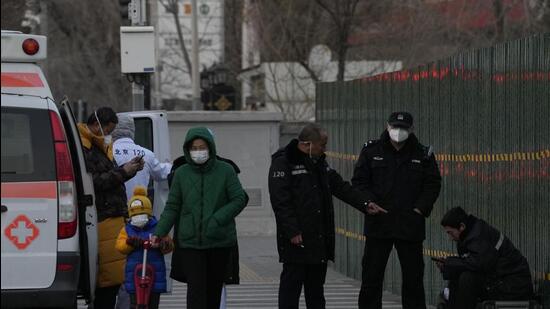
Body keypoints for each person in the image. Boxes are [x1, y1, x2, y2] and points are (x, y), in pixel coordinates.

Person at [268, 123, 370, 309]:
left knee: (316, 292)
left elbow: (340, 187)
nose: (325, 149)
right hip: (295, 241)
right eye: (322, 145)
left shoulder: (320, 163)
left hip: (318, 239)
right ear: (307, 144)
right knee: (291, 290)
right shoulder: (283, 163)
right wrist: (292, 231)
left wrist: (365, 204)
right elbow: (280, 202)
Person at [352, 112, 442, 309]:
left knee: (413, 280)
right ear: (387, 127)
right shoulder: (371, 150)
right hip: (379, 223)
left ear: (412, 129)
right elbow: (359, 182)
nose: (398, 132)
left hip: (409, 224)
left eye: (403, 128)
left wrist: (420, 208)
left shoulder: (423, 153)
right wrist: (368, 204)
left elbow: (433, 184)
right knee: (371, 277)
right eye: (395, 127)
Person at [152, 127, 247, 309]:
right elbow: (173, 206)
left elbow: (239, 199)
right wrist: (160, 231)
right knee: (195, 291)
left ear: (210, 147)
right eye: (194, 148)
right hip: (190, 242)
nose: (198, 151)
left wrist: (218, 218)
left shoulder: (226, 170)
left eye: (201, 147)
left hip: (219, 241)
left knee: (213, 292)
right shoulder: (181, 173)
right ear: (187, 149)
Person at [77, 107, 144, 309]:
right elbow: (93, 183)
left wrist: (128, 170)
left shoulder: (96, 145)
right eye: (109, 130)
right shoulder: (85, 148)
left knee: (112, 279)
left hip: (111, 220)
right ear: (98, 125)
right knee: (107, 281)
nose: (109, 135)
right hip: (102, 219)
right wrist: (123, 171)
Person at [435, 207, 533, 309]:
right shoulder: (468, 235)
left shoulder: (479, 235)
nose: (450, 238)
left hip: (513, 286)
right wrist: (446, 266)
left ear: (462, 226)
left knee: (467, 278)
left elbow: (479, 264)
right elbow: (470, 264)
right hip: (498, 281)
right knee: (459, 275)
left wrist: (449, 263)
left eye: (450, 233)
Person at [115, 186, 174, 309]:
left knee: (152, 303)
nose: (139, 217)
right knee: (135, 303)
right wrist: (130, 243)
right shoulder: (127, 229)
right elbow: (120, 246)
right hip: (133, 276)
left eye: (142, 213)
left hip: (155, 274)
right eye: (135, 214)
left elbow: (169, 245)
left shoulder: (157, 227)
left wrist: (162, 243)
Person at [112, 114, 172, 201]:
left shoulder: (106, 153)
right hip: (139, 209)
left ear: (113, 129)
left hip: (113, 211)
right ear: (133, 130)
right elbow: (162, 172)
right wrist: (174, 165)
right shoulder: (146, 154)